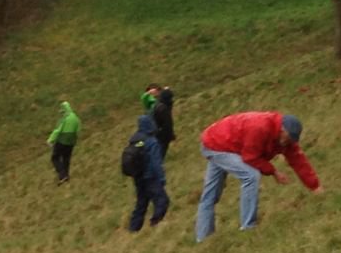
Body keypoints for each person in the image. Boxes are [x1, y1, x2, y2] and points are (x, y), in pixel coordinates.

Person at [195, 111, 323, 243]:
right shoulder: (260, 128)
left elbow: (298, 160)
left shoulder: (285, 140)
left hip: (224, 142)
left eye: (291, 140)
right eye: (288, 137)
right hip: (214, 144)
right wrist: (274, 172)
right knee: (250, 176)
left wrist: (315, 186)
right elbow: (250, 157)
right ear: (282, 129)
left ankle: (203, 239)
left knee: (210, 195)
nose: (287, 142)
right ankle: (247, 227)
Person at [127, 115, 170, 232]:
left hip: (138, 177)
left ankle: (133, 229)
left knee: (141, 203)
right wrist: (161, 178)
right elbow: (156, 162)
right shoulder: (152, 142)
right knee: (162, 200)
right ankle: (155, 223)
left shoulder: (135, 140)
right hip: (150, 177)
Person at [47, 101, 81, 185]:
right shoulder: (76, 118)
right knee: (66, 158)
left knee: (55, 157)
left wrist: (50, 140)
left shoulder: (65, 118)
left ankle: (62, 175)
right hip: (71, 141)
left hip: (62, 140)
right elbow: (78, 129)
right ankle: (66, 175)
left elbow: (58, 130)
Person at [153, 87, 176, 160]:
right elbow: (167, 124)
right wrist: (170, 135)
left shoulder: (157, 105)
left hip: (156, 132)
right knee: (162, 148)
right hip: (163, 134)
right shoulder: (164, 109)